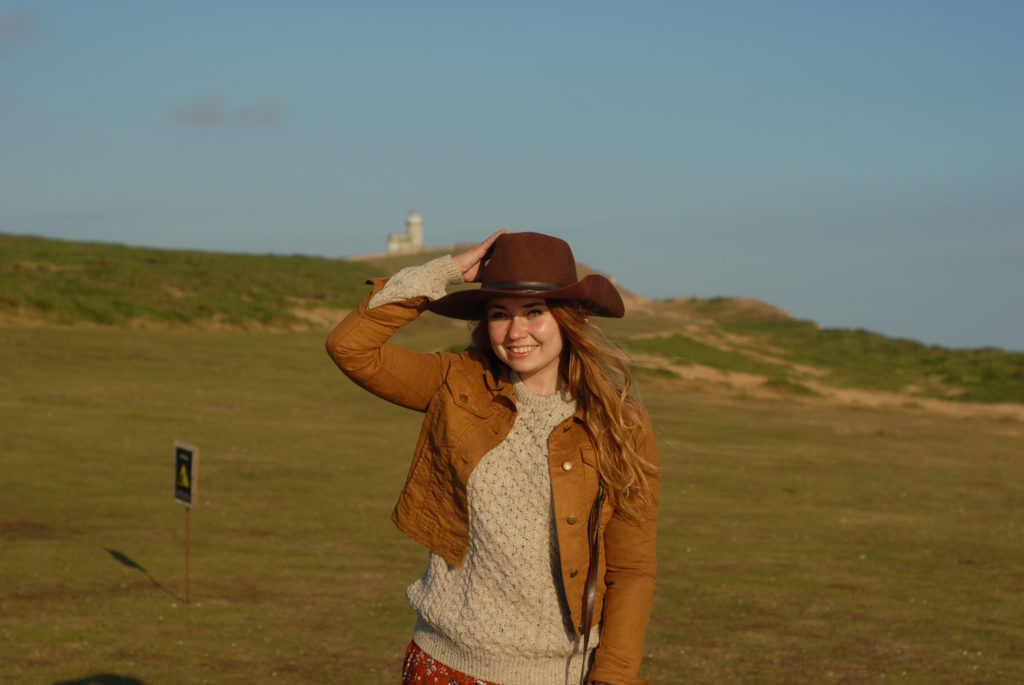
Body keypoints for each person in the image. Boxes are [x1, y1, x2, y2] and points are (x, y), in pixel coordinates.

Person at [326, 230, 660, 685]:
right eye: (500, 314)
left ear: (568, 319)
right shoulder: (457, 385)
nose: (515, 331)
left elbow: (633, 568)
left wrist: (613, 677)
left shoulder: (618, 424)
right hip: (442, 666)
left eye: (534, 312)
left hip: (556, 675)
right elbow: (351, 347)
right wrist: (443, 272)